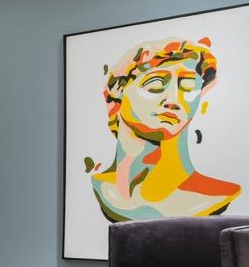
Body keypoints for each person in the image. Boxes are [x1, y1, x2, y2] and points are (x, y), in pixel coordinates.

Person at [89, 36, 240, 222]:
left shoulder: (213, 197)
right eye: (156, 84)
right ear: (118, 93)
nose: (174, 99)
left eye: (188, 85)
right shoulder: (98, 185)